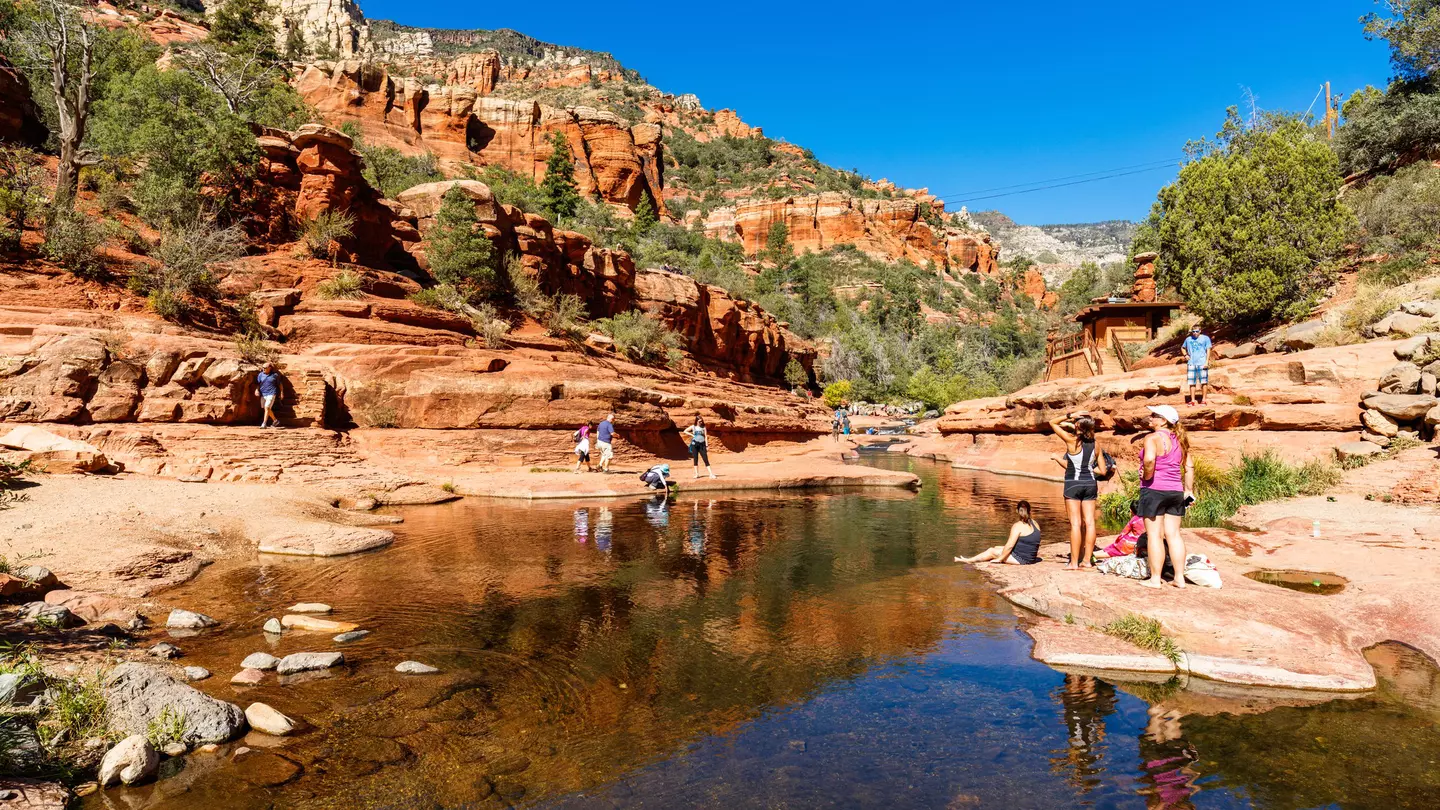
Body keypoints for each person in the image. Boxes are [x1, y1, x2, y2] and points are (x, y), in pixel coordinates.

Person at [1138, 405, 1194, 590]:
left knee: (1154, 535)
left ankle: (1155, 579)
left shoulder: (1151, 438)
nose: (1150, 418)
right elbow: (1189, 467)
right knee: (1174, 534)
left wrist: (1147, 477)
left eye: (1154, 415)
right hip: (1175, 491)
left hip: (1154, 489)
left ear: (1163, 421)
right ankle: (1179, 578)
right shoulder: (1180, 440)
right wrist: (1188, 490)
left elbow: (1149, 460)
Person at [1049, 410, 1110, 570]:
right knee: (1089, 523)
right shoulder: (1096, 444)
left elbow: (1052, 422)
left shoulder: (1071, 441)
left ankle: (1074, 563)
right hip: (1090, 483)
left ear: (1077, 425)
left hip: (1073, 483)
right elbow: (1103, 471)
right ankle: (1087, 561)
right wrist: (1088, 469)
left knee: (1075, 524)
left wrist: (1070, 415)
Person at [958, 501, 1043, 565]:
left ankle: (968, 560)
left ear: (1017, 511)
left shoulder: (1017, 526)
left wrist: (1000, 559)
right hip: (1031, 557)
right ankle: (971, 559)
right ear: (1029, 511)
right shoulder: (1035, 523)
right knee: (997, 547)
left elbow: (1010, 546)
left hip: (1023, 560)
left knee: (991, 551)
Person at [1182, 325, 1212, 406]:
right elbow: (1183, 348)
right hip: (1191, 363)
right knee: (1192, 382)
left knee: (1204, 382)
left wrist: (1207, 361)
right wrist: (1185, 355)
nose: (1195, 333)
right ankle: (1192, 400)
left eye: (1197, 331)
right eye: (1193, 331)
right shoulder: (1188, 339)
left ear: (1200, 331)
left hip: (1202, 362)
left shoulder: (1205, 338)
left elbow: (1208, 350)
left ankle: (1204, 400)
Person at [255, 362, 283, 429]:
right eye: (263, 368)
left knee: (267, 407)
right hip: (263, 393)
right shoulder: (260, 375)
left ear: (270, 368)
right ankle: (275, 420)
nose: (263, 369)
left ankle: (264, 424)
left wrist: (282, 393)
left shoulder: (275, 375)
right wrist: (256, 390)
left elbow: (280, 384)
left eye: (265, 368)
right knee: (266, 408)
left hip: (271, 393)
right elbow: (258, 384)